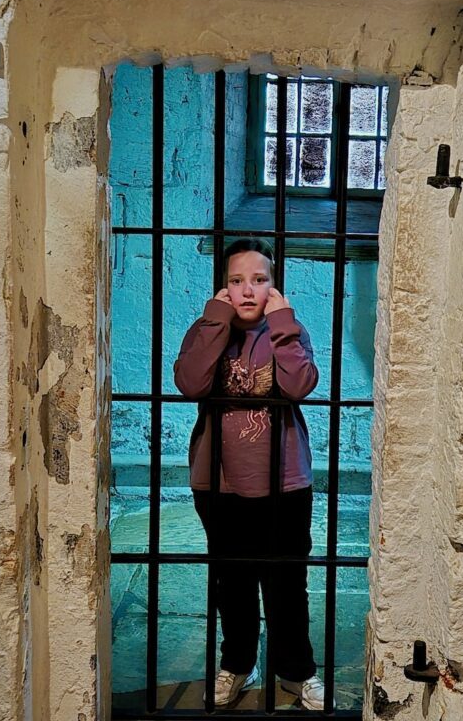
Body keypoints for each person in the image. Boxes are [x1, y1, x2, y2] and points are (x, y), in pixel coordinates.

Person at [173, 238, 326, 710]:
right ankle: (238, 663)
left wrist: (282, 323)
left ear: (274, 288)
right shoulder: (207, 329)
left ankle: (297, 671)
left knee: (286, 581)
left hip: (284, 479)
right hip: (218, 479)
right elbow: (190, 383)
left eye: (259, 281)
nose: (246, 291)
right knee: (231, 580)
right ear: (222, 288)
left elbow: (300, 385)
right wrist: (214, 321)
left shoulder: (289, 331)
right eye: (236, 281)